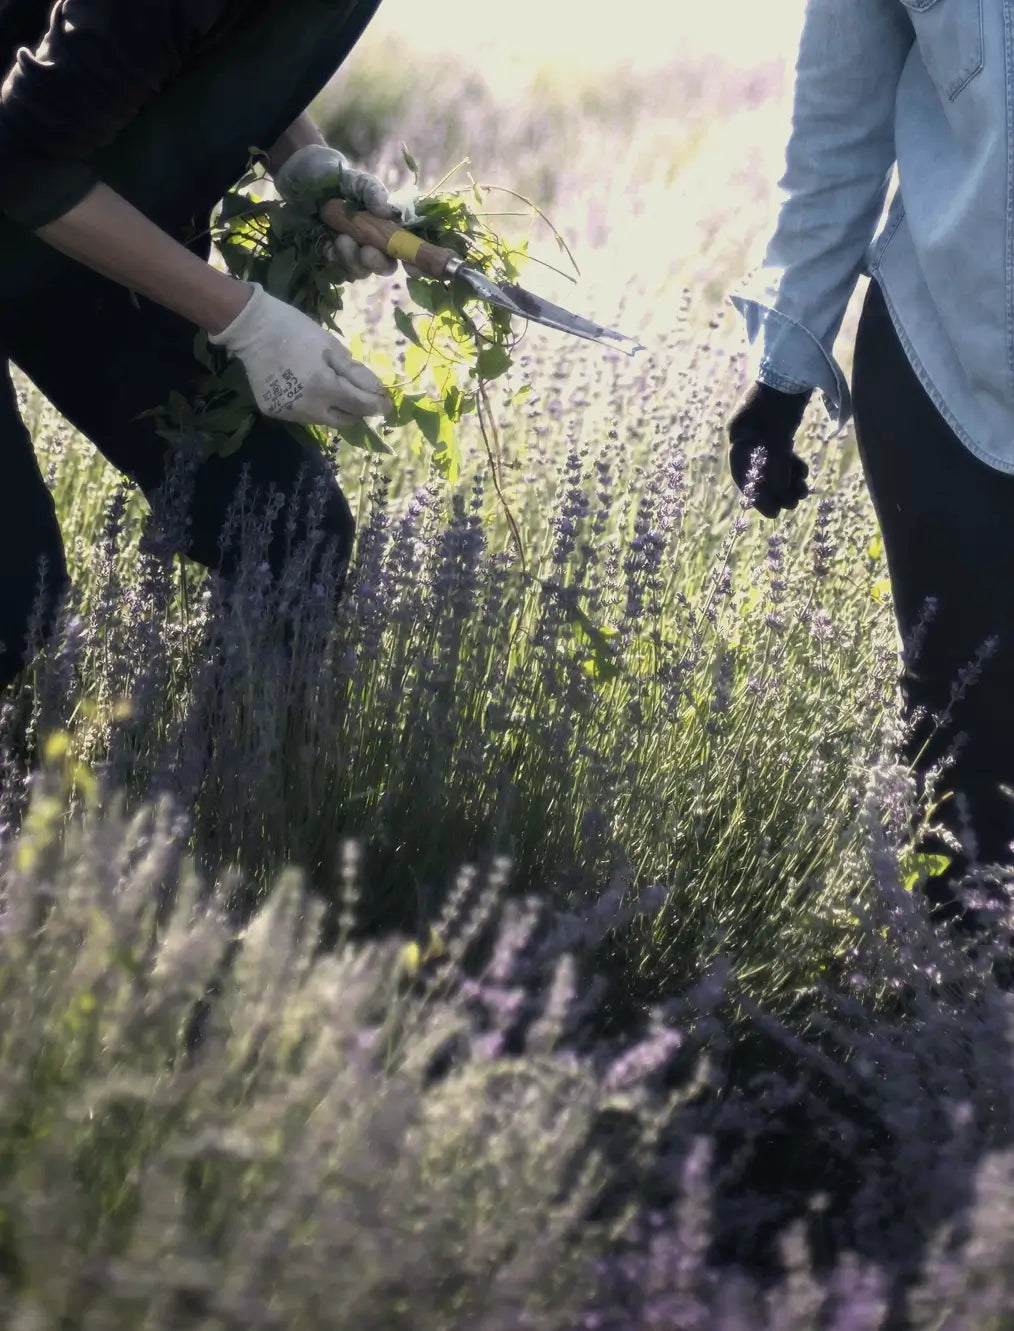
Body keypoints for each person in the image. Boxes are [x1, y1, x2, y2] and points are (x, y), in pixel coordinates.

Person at [0, 0, 411, 694]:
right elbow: (21, 157)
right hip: (33, 174)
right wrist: (244, 318)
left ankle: (208, 797)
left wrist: (309, 166)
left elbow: (226, 39)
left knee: (289, 531)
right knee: (9, 596)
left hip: (73, 229)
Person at [726, 0, 1014, 926]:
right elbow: (837, 130)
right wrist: (782, 378)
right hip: (942, 358)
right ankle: (970, 1032)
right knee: (963, 743)